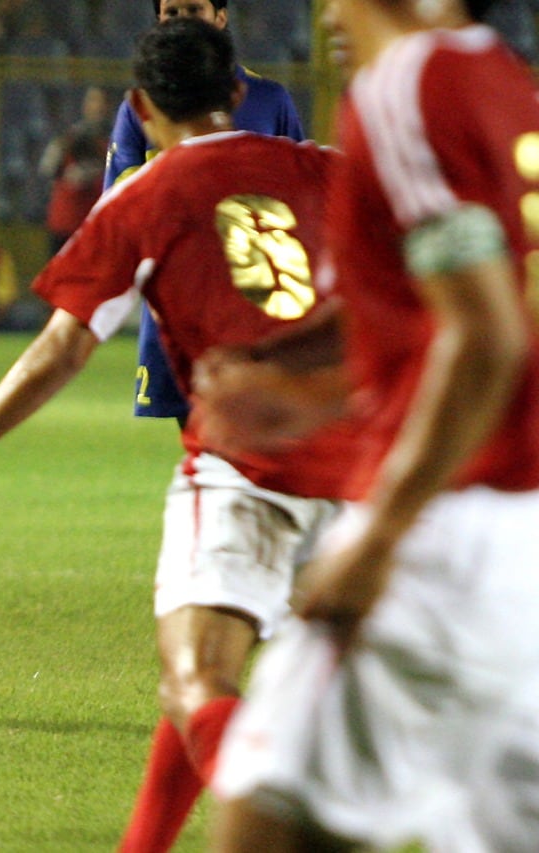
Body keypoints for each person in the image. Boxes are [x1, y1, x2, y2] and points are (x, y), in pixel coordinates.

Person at [0, 19, 358, 852]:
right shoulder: (326, 167)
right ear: (237, 91)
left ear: (140, 106)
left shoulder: (143, 195)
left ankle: (283, 822)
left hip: (243, 471)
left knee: (197, 677)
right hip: (362, 476)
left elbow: (62, 347)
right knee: (208, 668)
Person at [200, 0, 539, 849]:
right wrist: (315, 396)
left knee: (265, 814)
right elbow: (457, 320)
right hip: (518, 534)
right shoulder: (507, 87)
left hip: (450, 532)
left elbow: (486, 334)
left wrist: (381, 533)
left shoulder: (406, 85)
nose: (328, 15)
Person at [108, 0, 305, 428]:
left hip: (258, 291)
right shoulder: (139, 108)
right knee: (201, 432)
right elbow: (119, 204)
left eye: (193, 10)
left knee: (254, 436)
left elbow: (298, 197)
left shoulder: (270, 99)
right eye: (171, 13)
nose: (181, 23)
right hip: (179, 295)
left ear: (221, 17)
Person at [38, 86, 112, 256]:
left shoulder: (115, 143)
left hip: (95, 227)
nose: (98, 107)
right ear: (84, 105)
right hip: (65, 224)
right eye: (93, 101)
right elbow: (47, 168)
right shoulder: (68, 138)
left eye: (103, 102)